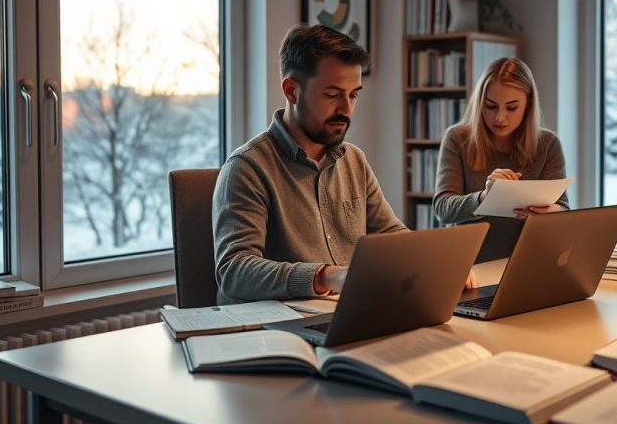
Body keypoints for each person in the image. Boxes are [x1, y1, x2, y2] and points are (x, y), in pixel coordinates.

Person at [212, 25, 408, 303]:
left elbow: (389, 234)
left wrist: (435, 266)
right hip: (278, 329)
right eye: (332, 95)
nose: (346, 109)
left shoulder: (354, 160)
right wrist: (324, 276)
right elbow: (234, 271)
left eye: (353, 95)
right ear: (291, 90)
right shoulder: (247, 168)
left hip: (347, 312)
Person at [433, 57, 569, 262]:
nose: (500, 117)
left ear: (528, 104)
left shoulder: (548, 144)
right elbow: (443, 209)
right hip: (470, 266)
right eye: (490, 106)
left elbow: (563, 209)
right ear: (480, 103)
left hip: (530, 262)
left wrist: (550, 213)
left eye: (511, 107)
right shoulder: (457, 138)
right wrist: (485, 197)